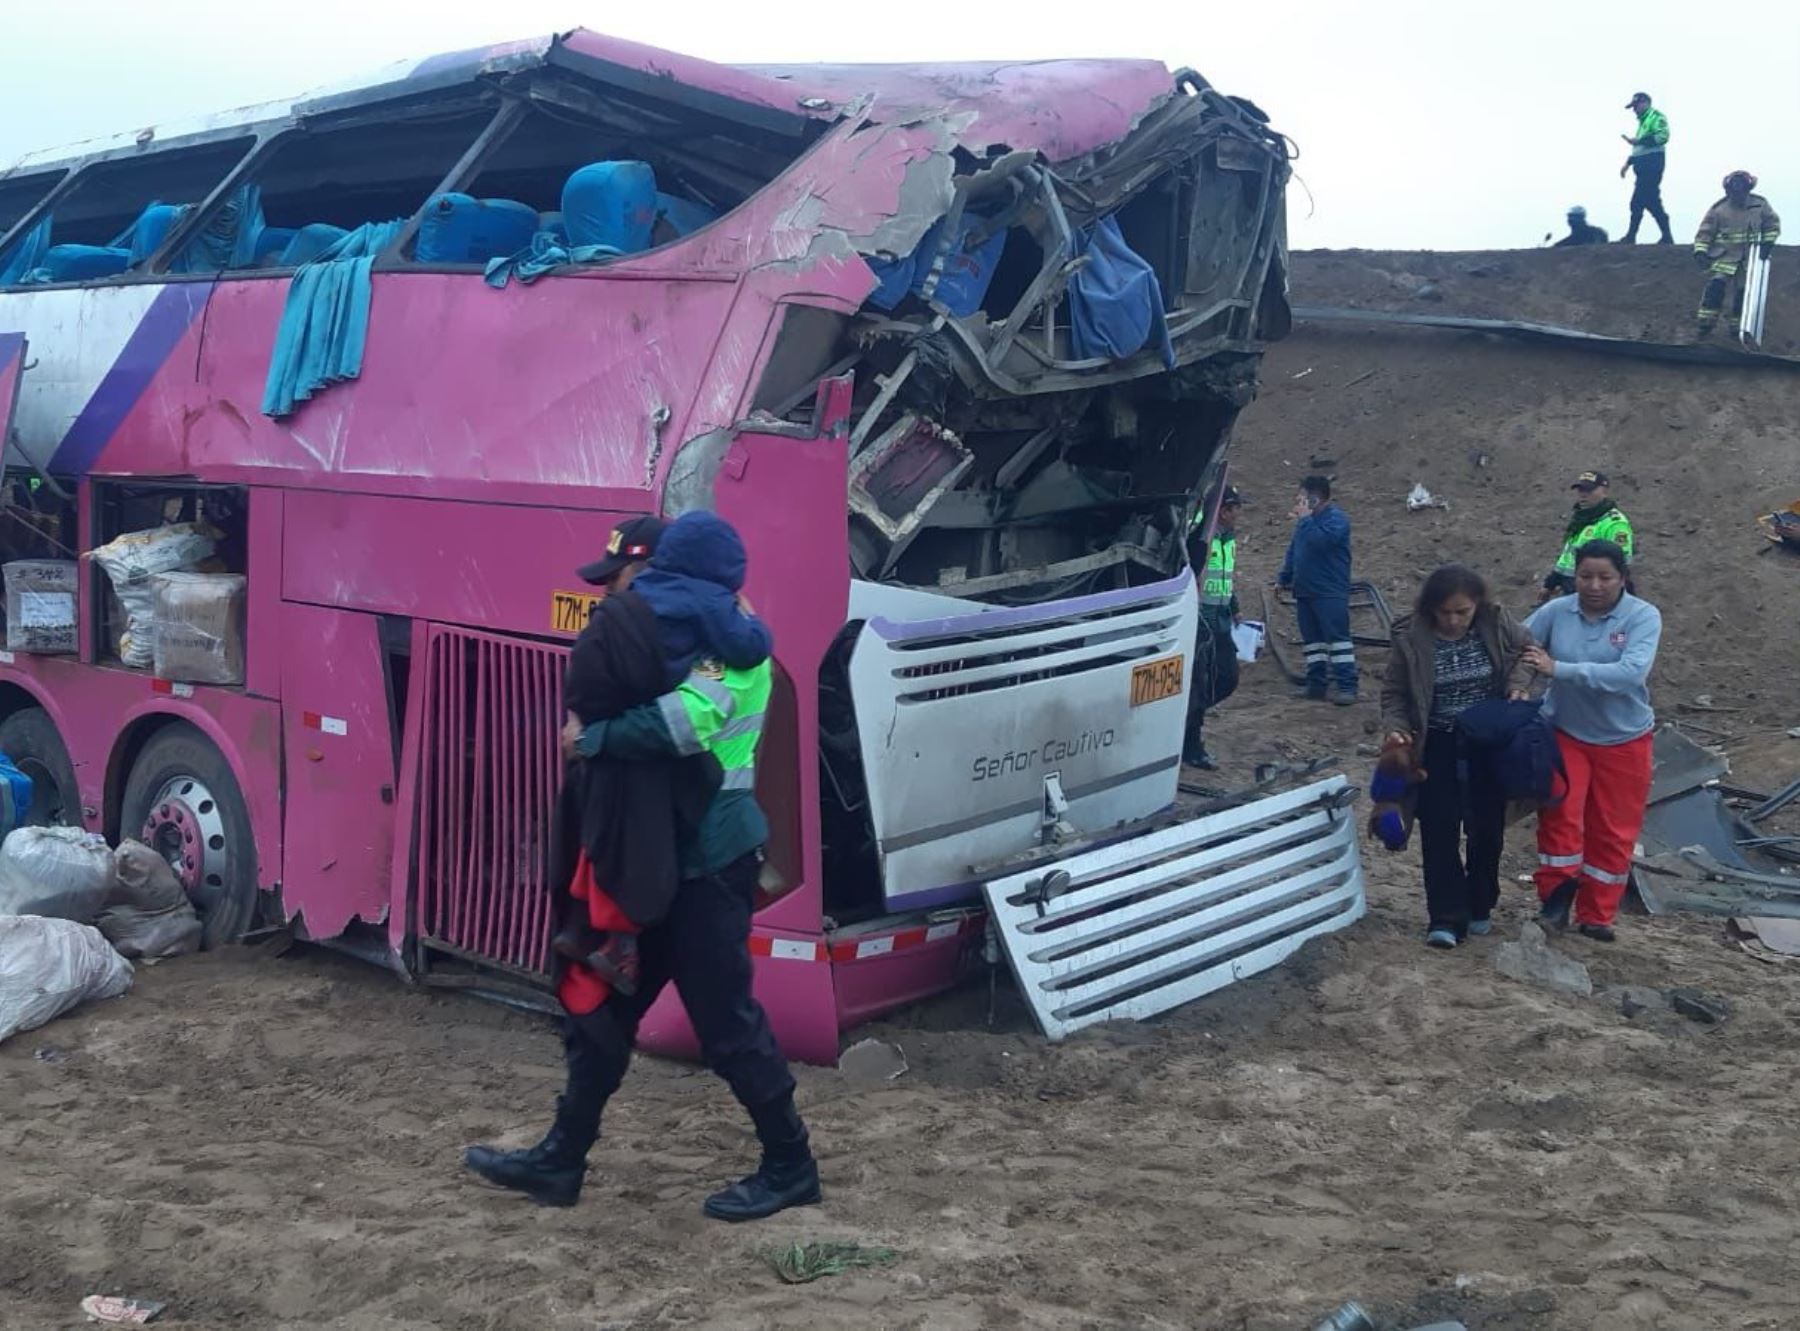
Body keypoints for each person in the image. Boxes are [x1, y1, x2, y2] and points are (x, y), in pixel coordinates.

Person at [466, 514, 820, 1223]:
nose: (625, 594)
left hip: (708, 864)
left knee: (726, 1022)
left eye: (635, 578)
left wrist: (593, 737)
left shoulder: (736, 652)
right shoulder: (680, 639)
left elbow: (684, 724)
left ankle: (791, 1164)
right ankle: (562, 1157)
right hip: (654, 862)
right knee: (606, 1009)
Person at [550, 512, 773, 984]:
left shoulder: (719, 634)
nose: (610, 592)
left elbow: (684, 723)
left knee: (723, 1010)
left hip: (715, 835)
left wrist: (593, 738)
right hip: (682, 830)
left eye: (618, 577)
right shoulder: (652, 629)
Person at [1380, 566, 1536, 948]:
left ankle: (1481, 903)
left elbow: (1528, 654)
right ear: (1430, 608)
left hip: (1487, 741)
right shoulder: (1410, 638)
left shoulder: (1498, 623)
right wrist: (1396, 728)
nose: (1453, 620)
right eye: (1444, 612)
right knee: (1438, 828)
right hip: (1436, 743)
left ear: (1477, 607)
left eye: (1461, 612)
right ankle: (1446, 917)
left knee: (1487, 828)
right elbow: (1395, 694)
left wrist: (1517, 686)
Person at [1522, 540, 1662, 943]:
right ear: (1574, 577)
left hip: (1625, 739)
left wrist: (1557, 668)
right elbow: (1518, 642)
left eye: (1605, 577)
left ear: (1623, 579)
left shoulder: (1642, 617)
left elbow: (1629, 674)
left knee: (1614, 828)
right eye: (1585, 576)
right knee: (1561, 814)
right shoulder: (1557, 612)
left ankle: (1597, 914)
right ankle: (1555, 902)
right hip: (1565, 731)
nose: (1594, 585)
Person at [1277, 474, 1356, 704]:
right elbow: (1295, 550)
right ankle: (1316, 685)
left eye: (1301, 497)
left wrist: (1305, 520)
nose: (1297, 501)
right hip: (1305, 591)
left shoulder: (1337, 520)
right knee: (1313, 643)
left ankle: (1347, 687)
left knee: (1338, 641)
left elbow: (1320, 542)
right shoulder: (1306, 523)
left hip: (1329, 591)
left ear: (1314, 498)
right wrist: (1283, 577)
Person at [1182, 484, 1242, 769]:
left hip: (1219, 617)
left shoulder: (1227, 538)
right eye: (1234, 509)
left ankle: (1185, 718)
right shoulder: (1198, 537)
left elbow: (1223, 575)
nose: (1237, 515)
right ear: (1222, 510)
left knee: (1227, 677)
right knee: (1197, 683)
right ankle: (1191, 744)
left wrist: (1233, 606)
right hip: (1200, 619)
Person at [1693, 171, 1782, 338]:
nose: (1738, 193)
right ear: (1728, 190)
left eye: (1741, 189)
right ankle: (1705, 325)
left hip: (1750, 259)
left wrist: (1768, 243)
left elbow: (1772, 224)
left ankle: (1738, 329)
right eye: (1734, 190)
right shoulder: (1718, 209)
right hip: (1724, 257)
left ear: (1748, 188)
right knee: (1715, 287)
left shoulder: (1760, 205)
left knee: (1744, 294)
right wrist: (1700, 251)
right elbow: (1705, 232)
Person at [1543, 470, 1634, 601]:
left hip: (1594, 593)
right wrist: (1551, 583)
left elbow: (1621, 565)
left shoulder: (1614, 523)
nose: (1583, 495)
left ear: (1604, 491)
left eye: (1589, 491)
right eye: (1580, 491)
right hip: (1570, 589)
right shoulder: (1581, 520)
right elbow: (1567, 557)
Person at [1618, 92, 1672, 245]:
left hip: (1652, 164)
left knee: (1642, 201)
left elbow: (1663, 136)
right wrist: (1627, 164)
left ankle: (1632, 237)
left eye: (1636, 105)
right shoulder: (1642, 122)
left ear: (1645, 103)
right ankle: (1664, 236)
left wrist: (1639, 140)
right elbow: (1638, 149)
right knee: (1646, 201)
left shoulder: (1656, 116)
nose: (1634, 109)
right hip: (1643, 165)